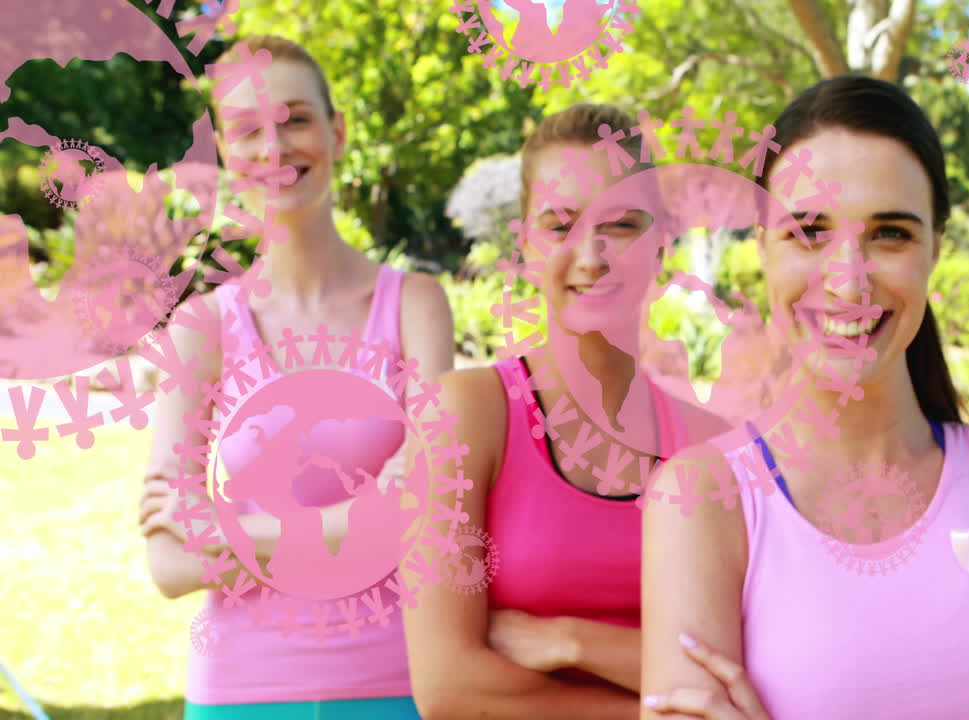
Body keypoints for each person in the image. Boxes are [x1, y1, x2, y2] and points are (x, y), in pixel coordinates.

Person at [638, 75, 969, 720]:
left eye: (889, 233)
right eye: (809, 230)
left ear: (934, 249)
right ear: (763, 247)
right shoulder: (700, 496)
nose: (848, 276)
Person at [136, 35, 454, 720]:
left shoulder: (415, 307)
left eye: (296, 119)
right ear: (225, 151)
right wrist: (364, 522)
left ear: (336, 131)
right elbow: (170, 567)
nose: (274, 150)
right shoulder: (202, 329)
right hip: (240, 696)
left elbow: (430, 517)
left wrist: (239, 534)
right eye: (248, 130)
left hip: (398, 687)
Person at [403, 103, 726, 720]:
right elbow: (448, 687)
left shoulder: (714, 447)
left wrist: (569, 639)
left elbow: (745, 668)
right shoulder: (464, 415)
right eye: (560, 224)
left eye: (624, 224)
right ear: (525, 246)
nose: (592, 254)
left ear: (662, 244)